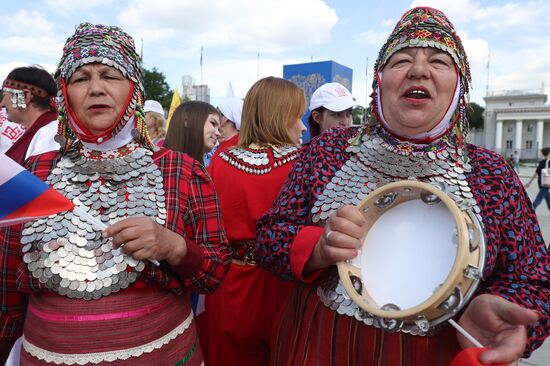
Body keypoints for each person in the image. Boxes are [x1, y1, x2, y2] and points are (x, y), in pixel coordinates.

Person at [257, 7, 547, 366]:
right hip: (322, 345)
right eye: (402, 59)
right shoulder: (327, 151)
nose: (419, 70)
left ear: (459, 84)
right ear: (380, 79)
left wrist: (504, 313)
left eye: (439, 61)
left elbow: (534, 281)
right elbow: (268, 238)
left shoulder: (492, 175)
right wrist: (316, 247)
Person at [0, 23, 231, 365]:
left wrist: (174, 247)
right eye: (80, 79)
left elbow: (215, 271)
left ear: (133, 90)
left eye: (109, 75)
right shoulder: (33, 173)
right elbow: (6, 289)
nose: (96, 89)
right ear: (64, 92)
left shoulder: (180, 170)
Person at [198, 76, 307, 366]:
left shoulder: (221, 158)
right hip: (286, 285)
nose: (303, 126)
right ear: (280, 116)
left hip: (232, 282)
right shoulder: (303, 161)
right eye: (297, 116)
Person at [0, 65, 59, 163]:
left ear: (25, 96)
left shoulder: (49, 137)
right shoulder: (43, 133)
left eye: (5, 95)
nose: (2, 104)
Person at [163, 100, 221, 165]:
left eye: (219, 129)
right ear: (186, 120)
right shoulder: (154, 164)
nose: (218, 133)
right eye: (213, 123)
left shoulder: (200, 170)